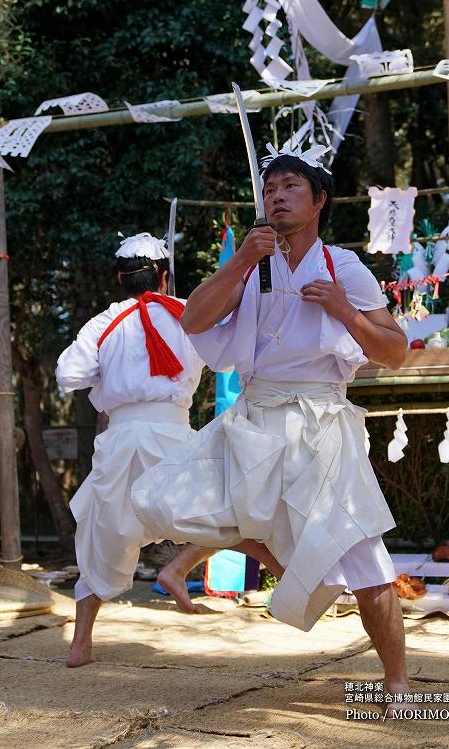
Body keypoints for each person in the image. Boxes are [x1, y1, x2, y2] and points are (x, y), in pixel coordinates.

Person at [131, 143, 410, 698]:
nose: (277, 196)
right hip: (255, 416)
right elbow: (196, 321)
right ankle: (305, 569)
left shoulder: (343, 266)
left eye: (291, 187)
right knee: (169, 500)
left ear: (319, 199)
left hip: (321, 421)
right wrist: (239, 262)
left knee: (363, 553)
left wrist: (344, 311)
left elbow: (395, 351)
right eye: (270, 188)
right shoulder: (249, 263)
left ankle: (397, 681)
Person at [56, 232, 281, 667]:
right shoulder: (187, 313)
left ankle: (81, 642)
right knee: (226, 513)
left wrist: (113, 370)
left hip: (121, 440)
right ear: (163, 276)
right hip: (172, 434)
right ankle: (292, 578)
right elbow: (228, 355)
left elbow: (71, 374)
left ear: (121, 279)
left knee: (103, 536)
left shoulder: (102, 324)